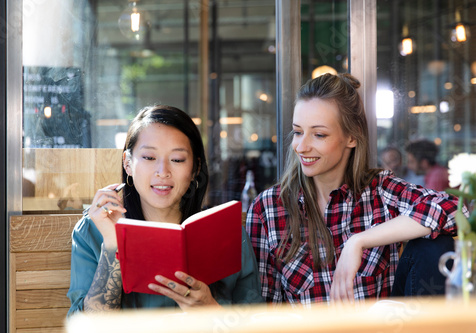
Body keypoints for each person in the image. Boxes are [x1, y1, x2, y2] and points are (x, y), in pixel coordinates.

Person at [245, 73, 463, 306]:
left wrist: (358, 241)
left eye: (319, 135)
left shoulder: (380, 190)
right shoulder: (267, 208)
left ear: (351, 137)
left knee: (434, 244)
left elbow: (454, 210)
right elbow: (264, 309)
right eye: (298, 132)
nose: (301, 146)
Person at [68, 105, 263, 315]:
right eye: (149, 158)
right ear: (127, 163)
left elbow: (256, 323)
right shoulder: (92, 230)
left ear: (195, 169)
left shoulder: (227, 235)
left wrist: (210, 310)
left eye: (177, 160)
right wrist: (112, 244)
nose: (163, 172)